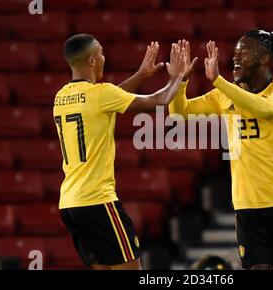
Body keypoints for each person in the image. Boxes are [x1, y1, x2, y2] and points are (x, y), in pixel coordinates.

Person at [169, 29, 273, 270]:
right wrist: (179, 81)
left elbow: (264, 109)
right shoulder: (223, 96)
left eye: (243, 54)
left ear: (264, 58)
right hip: (248, 205)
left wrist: (219, 82)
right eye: (235, 53)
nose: (235, 59)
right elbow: (179, 113)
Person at [54, 33, 186, 270]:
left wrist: (140, 75)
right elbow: (162, 99)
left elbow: (109, 101)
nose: (104, 57)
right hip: (98, 201)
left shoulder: (61, 96)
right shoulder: (100, 94)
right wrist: (177, 77)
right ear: (93, 61)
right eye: (101, 53)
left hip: (70, 205)